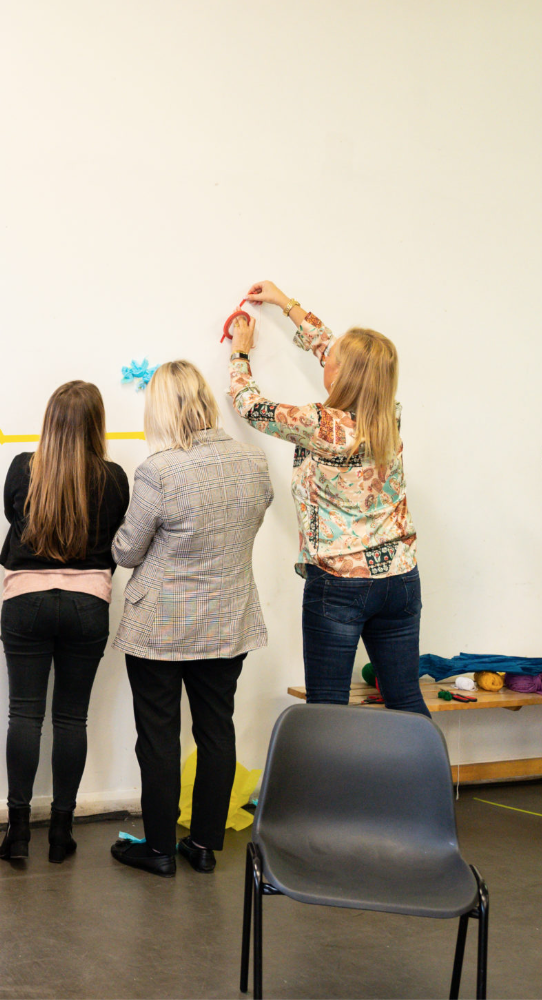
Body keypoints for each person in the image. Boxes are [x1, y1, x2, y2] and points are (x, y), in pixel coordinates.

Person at [227, 280, 428, 716]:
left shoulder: (321, 424)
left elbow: (250, 405)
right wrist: (286, 304)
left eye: (331, 360)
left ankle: (328, 788)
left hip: (340, 584)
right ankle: (426, 785)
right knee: (405, 698)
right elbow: (340, 353)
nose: (326, 357)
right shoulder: (387, 415)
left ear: (339, 373)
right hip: (399, 577)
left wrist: (239, 353)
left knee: (327, 709)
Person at [108, 361, 272, 878]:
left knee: (158, 737)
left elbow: (127, 551)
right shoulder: (253, 461)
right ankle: (202, 845)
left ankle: (158, 849)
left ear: (162, 408)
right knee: (216, 730)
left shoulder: (160, 470)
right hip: (228, 618)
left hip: (161, 625)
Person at [0, 382, 130, 863]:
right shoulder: (114, 478)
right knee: (72, 717)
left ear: (50, 420)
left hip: (26, 601)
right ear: (98, 424)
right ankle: (61, 833)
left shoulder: (22, 468)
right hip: (87, 604)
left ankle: (16, 834)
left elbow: (15, 517)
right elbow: (118, 537)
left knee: (24, 716)